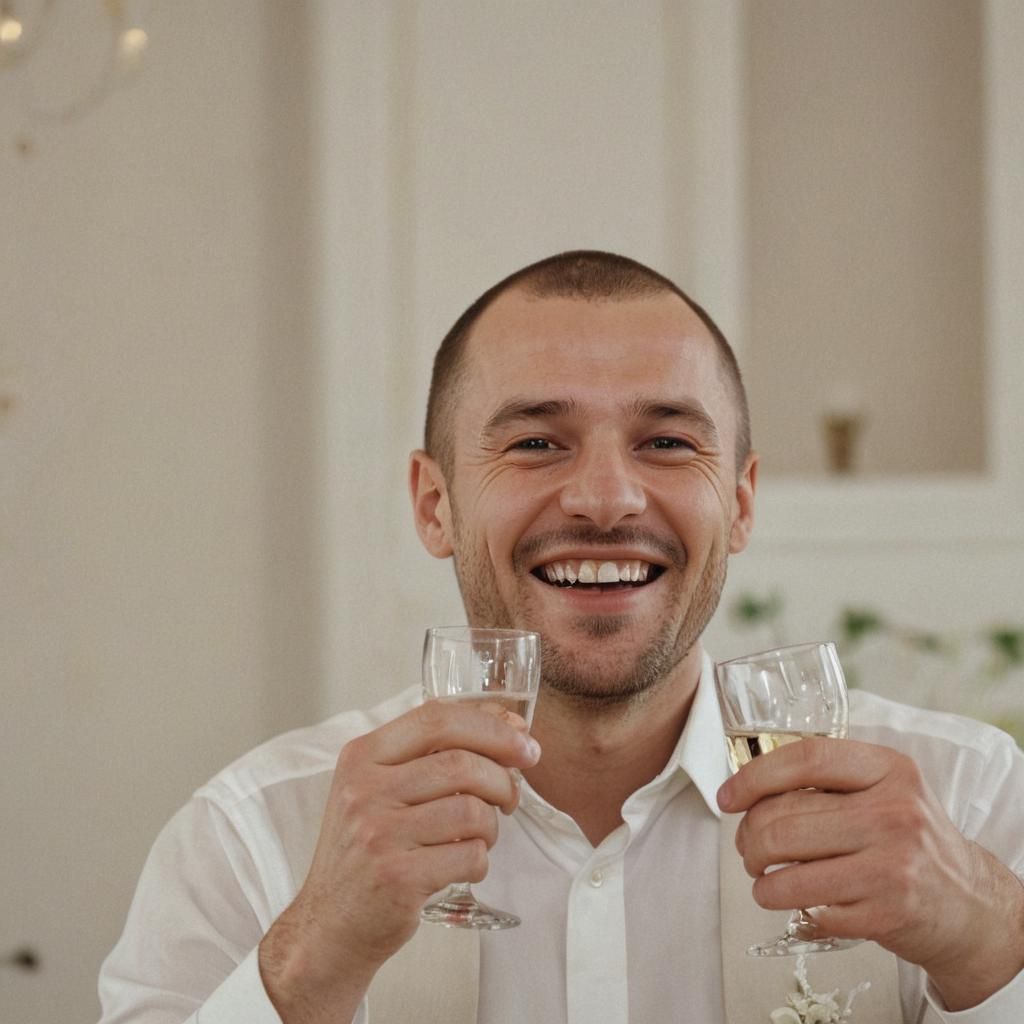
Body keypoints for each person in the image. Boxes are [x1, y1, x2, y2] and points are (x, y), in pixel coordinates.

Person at [97, 251, 1024, 1023]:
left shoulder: (973, 802)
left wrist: (988, 943)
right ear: (434, 504)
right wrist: (307, 960)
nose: (606, 499)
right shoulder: (251, 836)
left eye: (666, 442)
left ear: (739, 504)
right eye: (537, 443)